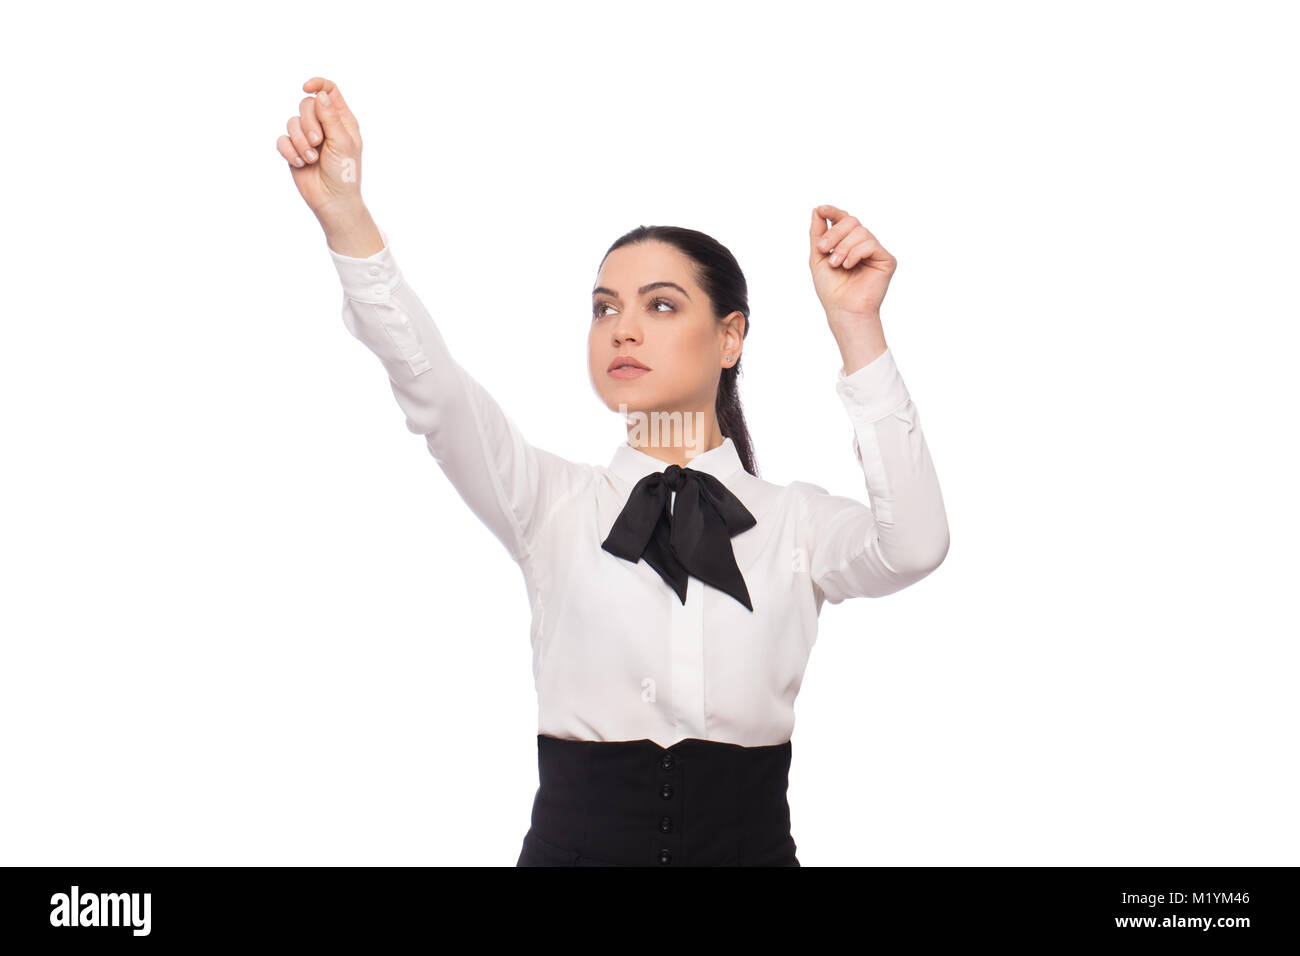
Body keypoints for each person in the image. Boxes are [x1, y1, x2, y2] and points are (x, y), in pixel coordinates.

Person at [275, 76, 951, 866]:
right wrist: (349, 219)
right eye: (603, 307)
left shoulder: (797, 524)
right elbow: (433, 388)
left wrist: (858, 328)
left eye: (661, 305)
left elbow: (916, 546)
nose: (622, 327)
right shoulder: (548, 503)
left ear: (730, 338)